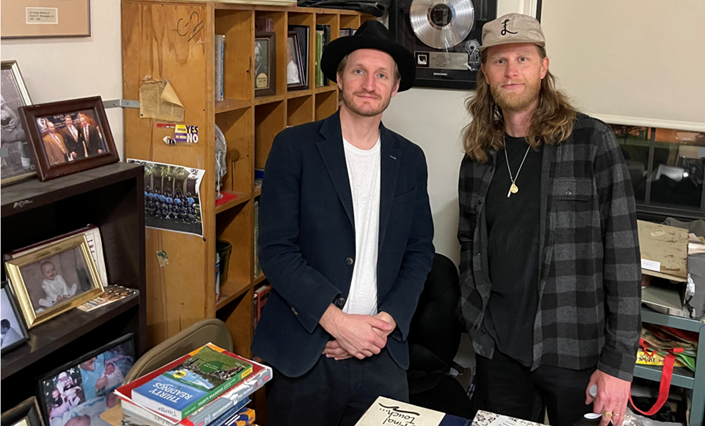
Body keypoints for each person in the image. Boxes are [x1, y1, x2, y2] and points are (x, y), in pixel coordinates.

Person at [457, 13, 641, 426]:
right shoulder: (478, 154)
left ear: (543, 67)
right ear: (485, 73)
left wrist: (618, 363)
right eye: (499, 61)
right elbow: (468, 242)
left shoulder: (592, 141)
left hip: (574, 349)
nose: (511, 71)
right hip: (498, 351)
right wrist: (474, 318)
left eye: (522, 58)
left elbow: (624, 258)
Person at [251, 20, 434, 426]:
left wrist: (383, 324)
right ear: (338, 78)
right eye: (358, 71)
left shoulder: (410, 159)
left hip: (381, 350)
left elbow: (419, 251)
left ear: (395, 86)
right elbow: (276, 251)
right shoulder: (293, 147)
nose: (369, 83)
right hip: (307, 354)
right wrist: (336, 322)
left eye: (382, 74)